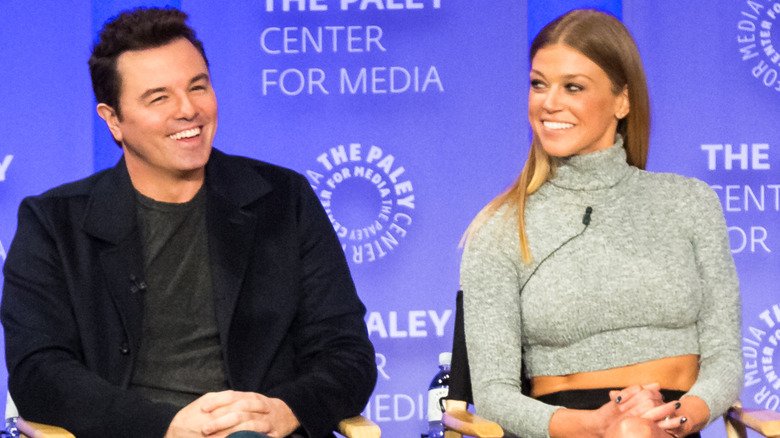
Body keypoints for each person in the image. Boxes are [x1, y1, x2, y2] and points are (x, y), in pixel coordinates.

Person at [1, 7, 376, 438]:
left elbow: (347, 353)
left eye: (198, 87)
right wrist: (164, 426)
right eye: (158, 97)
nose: (188, 110)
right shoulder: (54, 223)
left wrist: (286, 410)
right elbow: (38, 373)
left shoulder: (283, 200)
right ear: (113, 119)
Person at [460, 9, 741, 438]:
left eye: (573, 87)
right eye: (539, 84)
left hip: (674, 422)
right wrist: (595, 425)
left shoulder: (688, 202)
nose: (549, 103)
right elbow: (495, 394)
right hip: (569, 425)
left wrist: (684, 413)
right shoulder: (500, 229)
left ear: (622, 100)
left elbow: (724, 357)